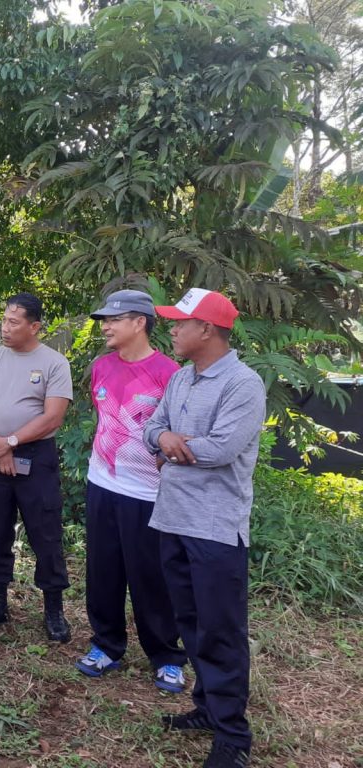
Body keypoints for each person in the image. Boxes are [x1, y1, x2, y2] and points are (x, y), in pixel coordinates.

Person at [144, 289, 265, 768]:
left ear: (207, 330)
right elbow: (151, 429)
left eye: (179, 324)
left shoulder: (243, 383)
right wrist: (171, 438)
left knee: (221, 629)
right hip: (172, 517)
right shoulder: (180, 379)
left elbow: (220, 450)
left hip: (215, 528)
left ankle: (233, 736)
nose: (172, 331)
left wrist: (172, 442)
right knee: (190, 622)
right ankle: (205, 708)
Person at [75, 290, 186, 692]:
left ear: (140, 322)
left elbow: (177, 432)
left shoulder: (169, 372)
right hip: (102, 483)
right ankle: (106, 646)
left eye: (113, 319)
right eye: (103, 319)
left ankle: (167, 656)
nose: (104, 325)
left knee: (151, 576)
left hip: (148, 493)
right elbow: (103, 418)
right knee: (103, 569)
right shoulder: (102, 367)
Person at [0, 291, 73, 643]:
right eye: (5, 319)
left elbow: (53, 415)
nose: (6, 327)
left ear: (35, 326)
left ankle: (53, 610)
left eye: (14, 322)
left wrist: (10, 443)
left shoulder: (55, 363)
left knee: (45, 532)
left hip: (36, 456)